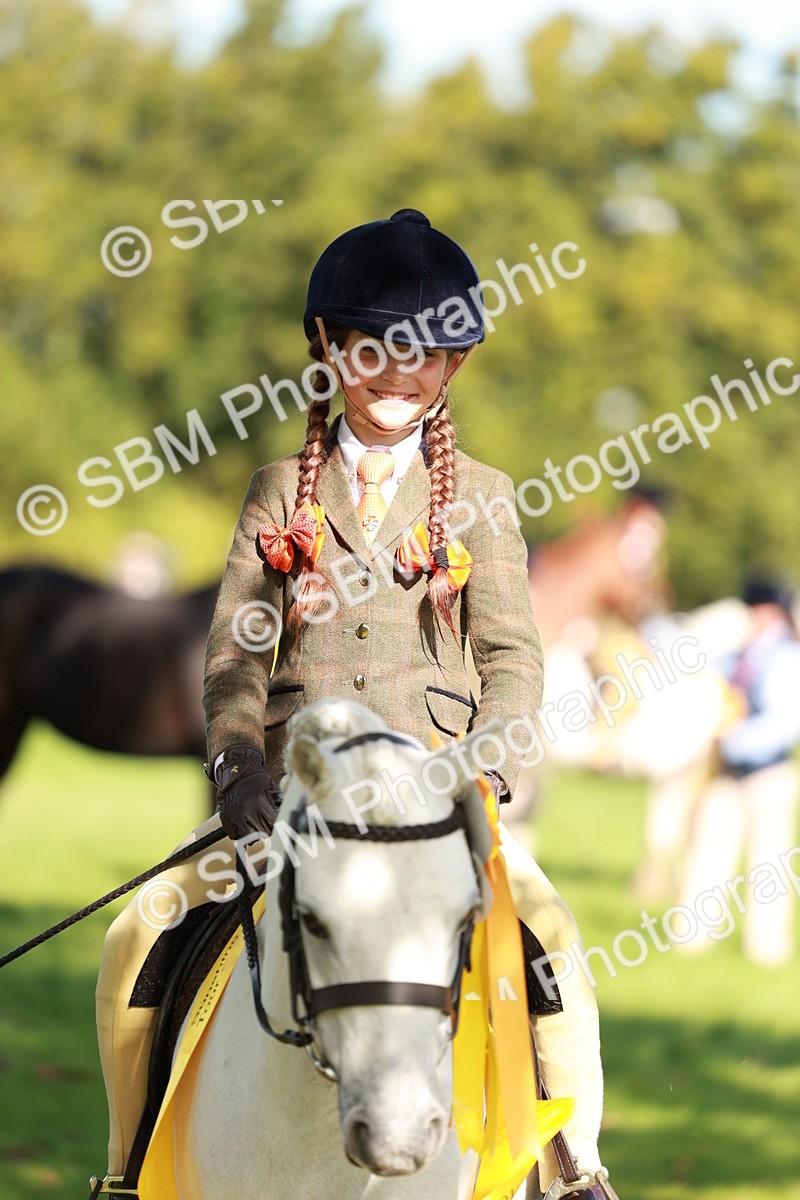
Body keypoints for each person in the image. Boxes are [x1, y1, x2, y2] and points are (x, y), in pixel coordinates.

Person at [93, 209, 615, 1199]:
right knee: (139, 932)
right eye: (370, 349)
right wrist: (236, 765)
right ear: (329, 350)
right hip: (294, 799)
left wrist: (488, 767)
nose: (394, 372)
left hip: (435, 795)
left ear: (452, 366)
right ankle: (125, 1169)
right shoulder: (272, 493)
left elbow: (511, 658)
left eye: (422, 355)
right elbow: (234, 658)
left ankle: (574, 1165)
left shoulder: (485, 499)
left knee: (549, 935)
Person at [679, 576, 800, 965]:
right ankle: (692, 939)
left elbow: (786, 722)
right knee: (708, 852)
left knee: (769, 864)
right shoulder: (737, 652)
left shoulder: (788, 657)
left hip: (768, 772)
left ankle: (767, 949)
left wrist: (733, 738)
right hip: (728, 772)